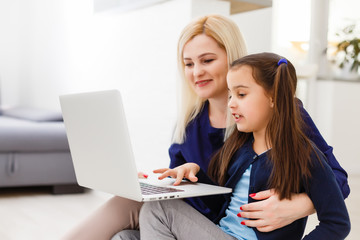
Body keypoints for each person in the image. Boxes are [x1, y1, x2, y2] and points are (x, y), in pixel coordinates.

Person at [61, 15, 349, 240]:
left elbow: (335, 182)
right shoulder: (194, 122)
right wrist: (181, 176)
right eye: (188, 63)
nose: (196, 72)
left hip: (220, 228)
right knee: (126, 222)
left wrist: (301, 205)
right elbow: (200, 185)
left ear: (232, 59)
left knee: (156, 211)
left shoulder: (280, 117)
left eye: (207, 60)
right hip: (198, 222)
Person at [139, 52, 351, 239]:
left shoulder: (304, 155)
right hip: (221, 232)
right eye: (231, 94)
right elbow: (224, 205)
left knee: (157, 208)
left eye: (241, 94)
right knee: (125, 236)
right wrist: (195, 177)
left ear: (273, 97)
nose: (231, 103)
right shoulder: (239, 147)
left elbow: (337, 223)